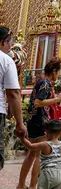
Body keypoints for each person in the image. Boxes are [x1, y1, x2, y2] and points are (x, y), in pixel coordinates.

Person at [17, 57, 61, 189]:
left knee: (32, 152)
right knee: (38, 154)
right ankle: (33, 186)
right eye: (58, 72)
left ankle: (21, 185)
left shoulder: (41, 81)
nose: (59, 75)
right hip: (40, 121)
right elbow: (38, 102)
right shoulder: (45, 83)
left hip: (33, 120)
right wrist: (57, 99)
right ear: (54, 71)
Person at [0, 27, 27, 171]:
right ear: (4, 42)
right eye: (10, 43)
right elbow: (14, 94)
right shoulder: (6, 60)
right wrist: (20, 123)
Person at [19, 120, 61, 189]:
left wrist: (22, 138)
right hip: (59, 173)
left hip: (47, 173)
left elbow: (30, 146)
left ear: (46, 133)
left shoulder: (44, 144)